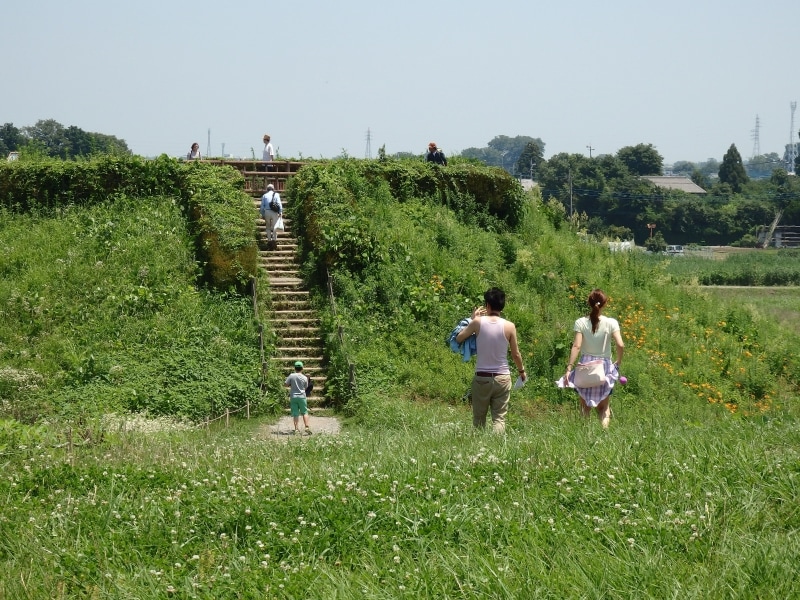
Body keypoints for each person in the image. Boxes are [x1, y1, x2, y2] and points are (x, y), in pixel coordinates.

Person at [455, 288, 526, 433]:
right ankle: (497, 450)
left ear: (487, 305)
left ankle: (478, 450)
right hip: (503, 378)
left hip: (482, 377)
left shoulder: (477, 323)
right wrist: (521, 371)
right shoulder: (509, 326)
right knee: (499, 418)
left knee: (479, 418)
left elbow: (459, 338)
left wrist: (472, 318)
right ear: (502, 305)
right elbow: (516, 354)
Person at [563, 288, 625, 428]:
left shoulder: (581, 322)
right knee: (604, 408)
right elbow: (620, 344)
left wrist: (569, 368)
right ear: (605, 304)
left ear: (588, 303)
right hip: (604, 367)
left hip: (585, 367)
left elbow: (577, 346)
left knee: (585, 408)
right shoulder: (611, 323)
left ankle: (584, 437)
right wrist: (618, 362)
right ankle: (604, 435)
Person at [285, 361, 312, 435]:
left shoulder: (291, 375)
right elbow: (306, 387)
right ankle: (307, 427)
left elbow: (286, 384)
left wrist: (291, 385)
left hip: (293, 397)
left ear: (294, 368)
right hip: (302, 397)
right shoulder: (304, 377)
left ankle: (296, 429)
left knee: (295, 413)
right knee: (305, 412)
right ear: (302, 368)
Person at [259, 183, 282, 250]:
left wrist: (263, 214)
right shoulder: (276, 194)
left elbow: (262, 206)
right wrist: (280, 212)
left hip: (267, 211)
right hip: (274, 212)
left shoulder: (264, 195)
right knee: (275, 227)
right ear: (273, 189)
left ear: (267, 189)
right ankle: (274, 240)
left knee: (268, 227)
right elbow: (279, 203)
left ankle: (269, 240)